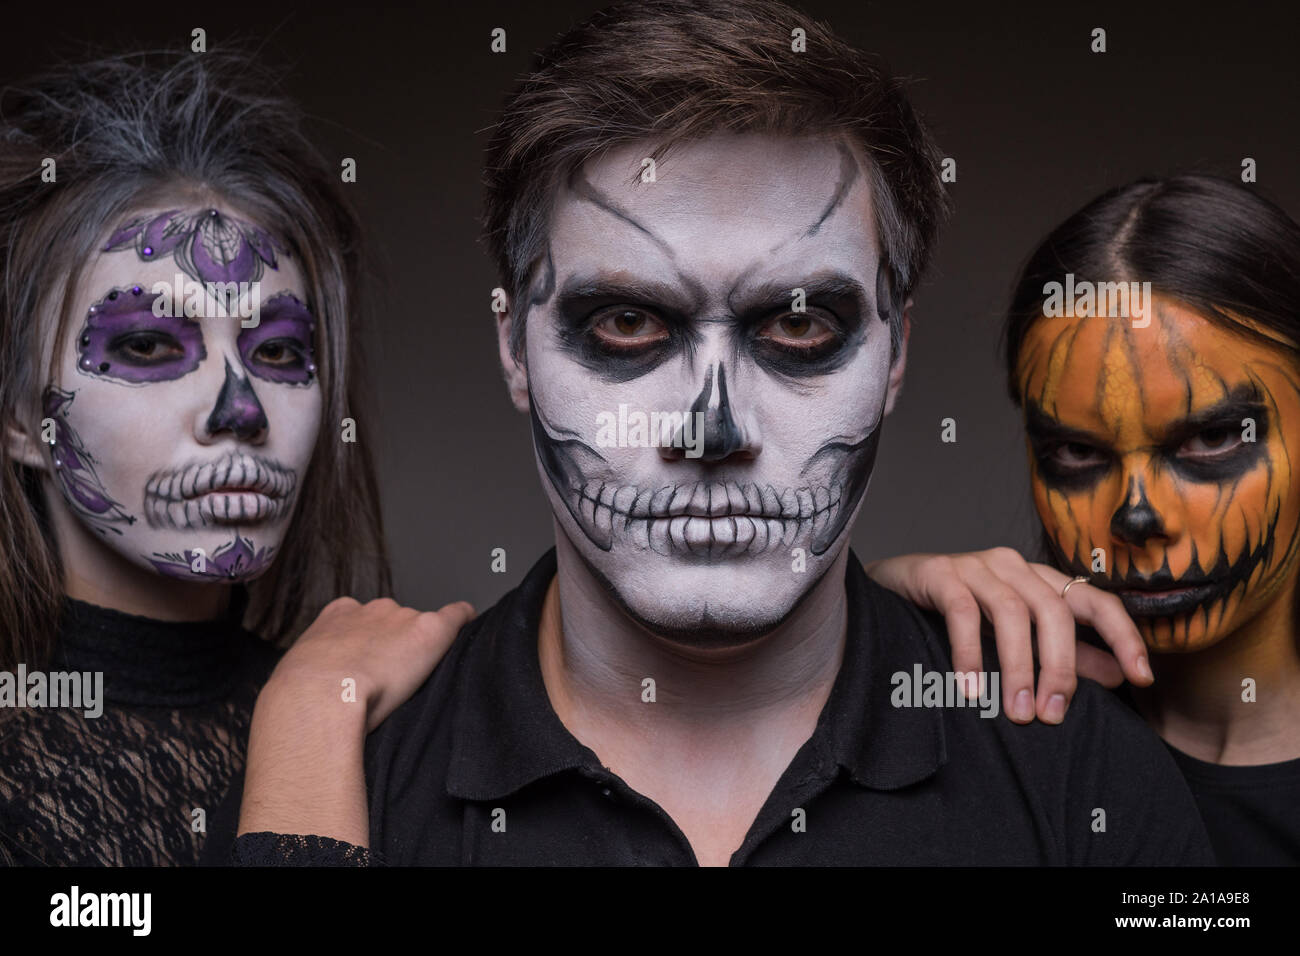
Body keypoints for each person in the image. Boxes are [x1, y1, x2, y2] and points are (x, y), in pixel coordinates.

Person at [226, 0, 1213, 866]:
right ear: (515, 349)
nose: (714, 428)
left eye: (795, 325)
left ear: (895, 351)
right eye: (625, 322)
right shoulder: (335, 780)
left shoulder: (1073, 767)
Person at [0, 50, 468, 865]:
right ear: (17, 420)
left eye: (281, 353)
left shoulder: (400, 720)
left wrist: (314, 709)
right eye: (148, 344)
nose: (241, 409)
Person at [868, 175, 1300, 865]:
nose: (1137, 515)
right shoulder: (989, 725)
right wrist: (877, 601)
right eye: (1077, 452)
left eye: (1212, 439)